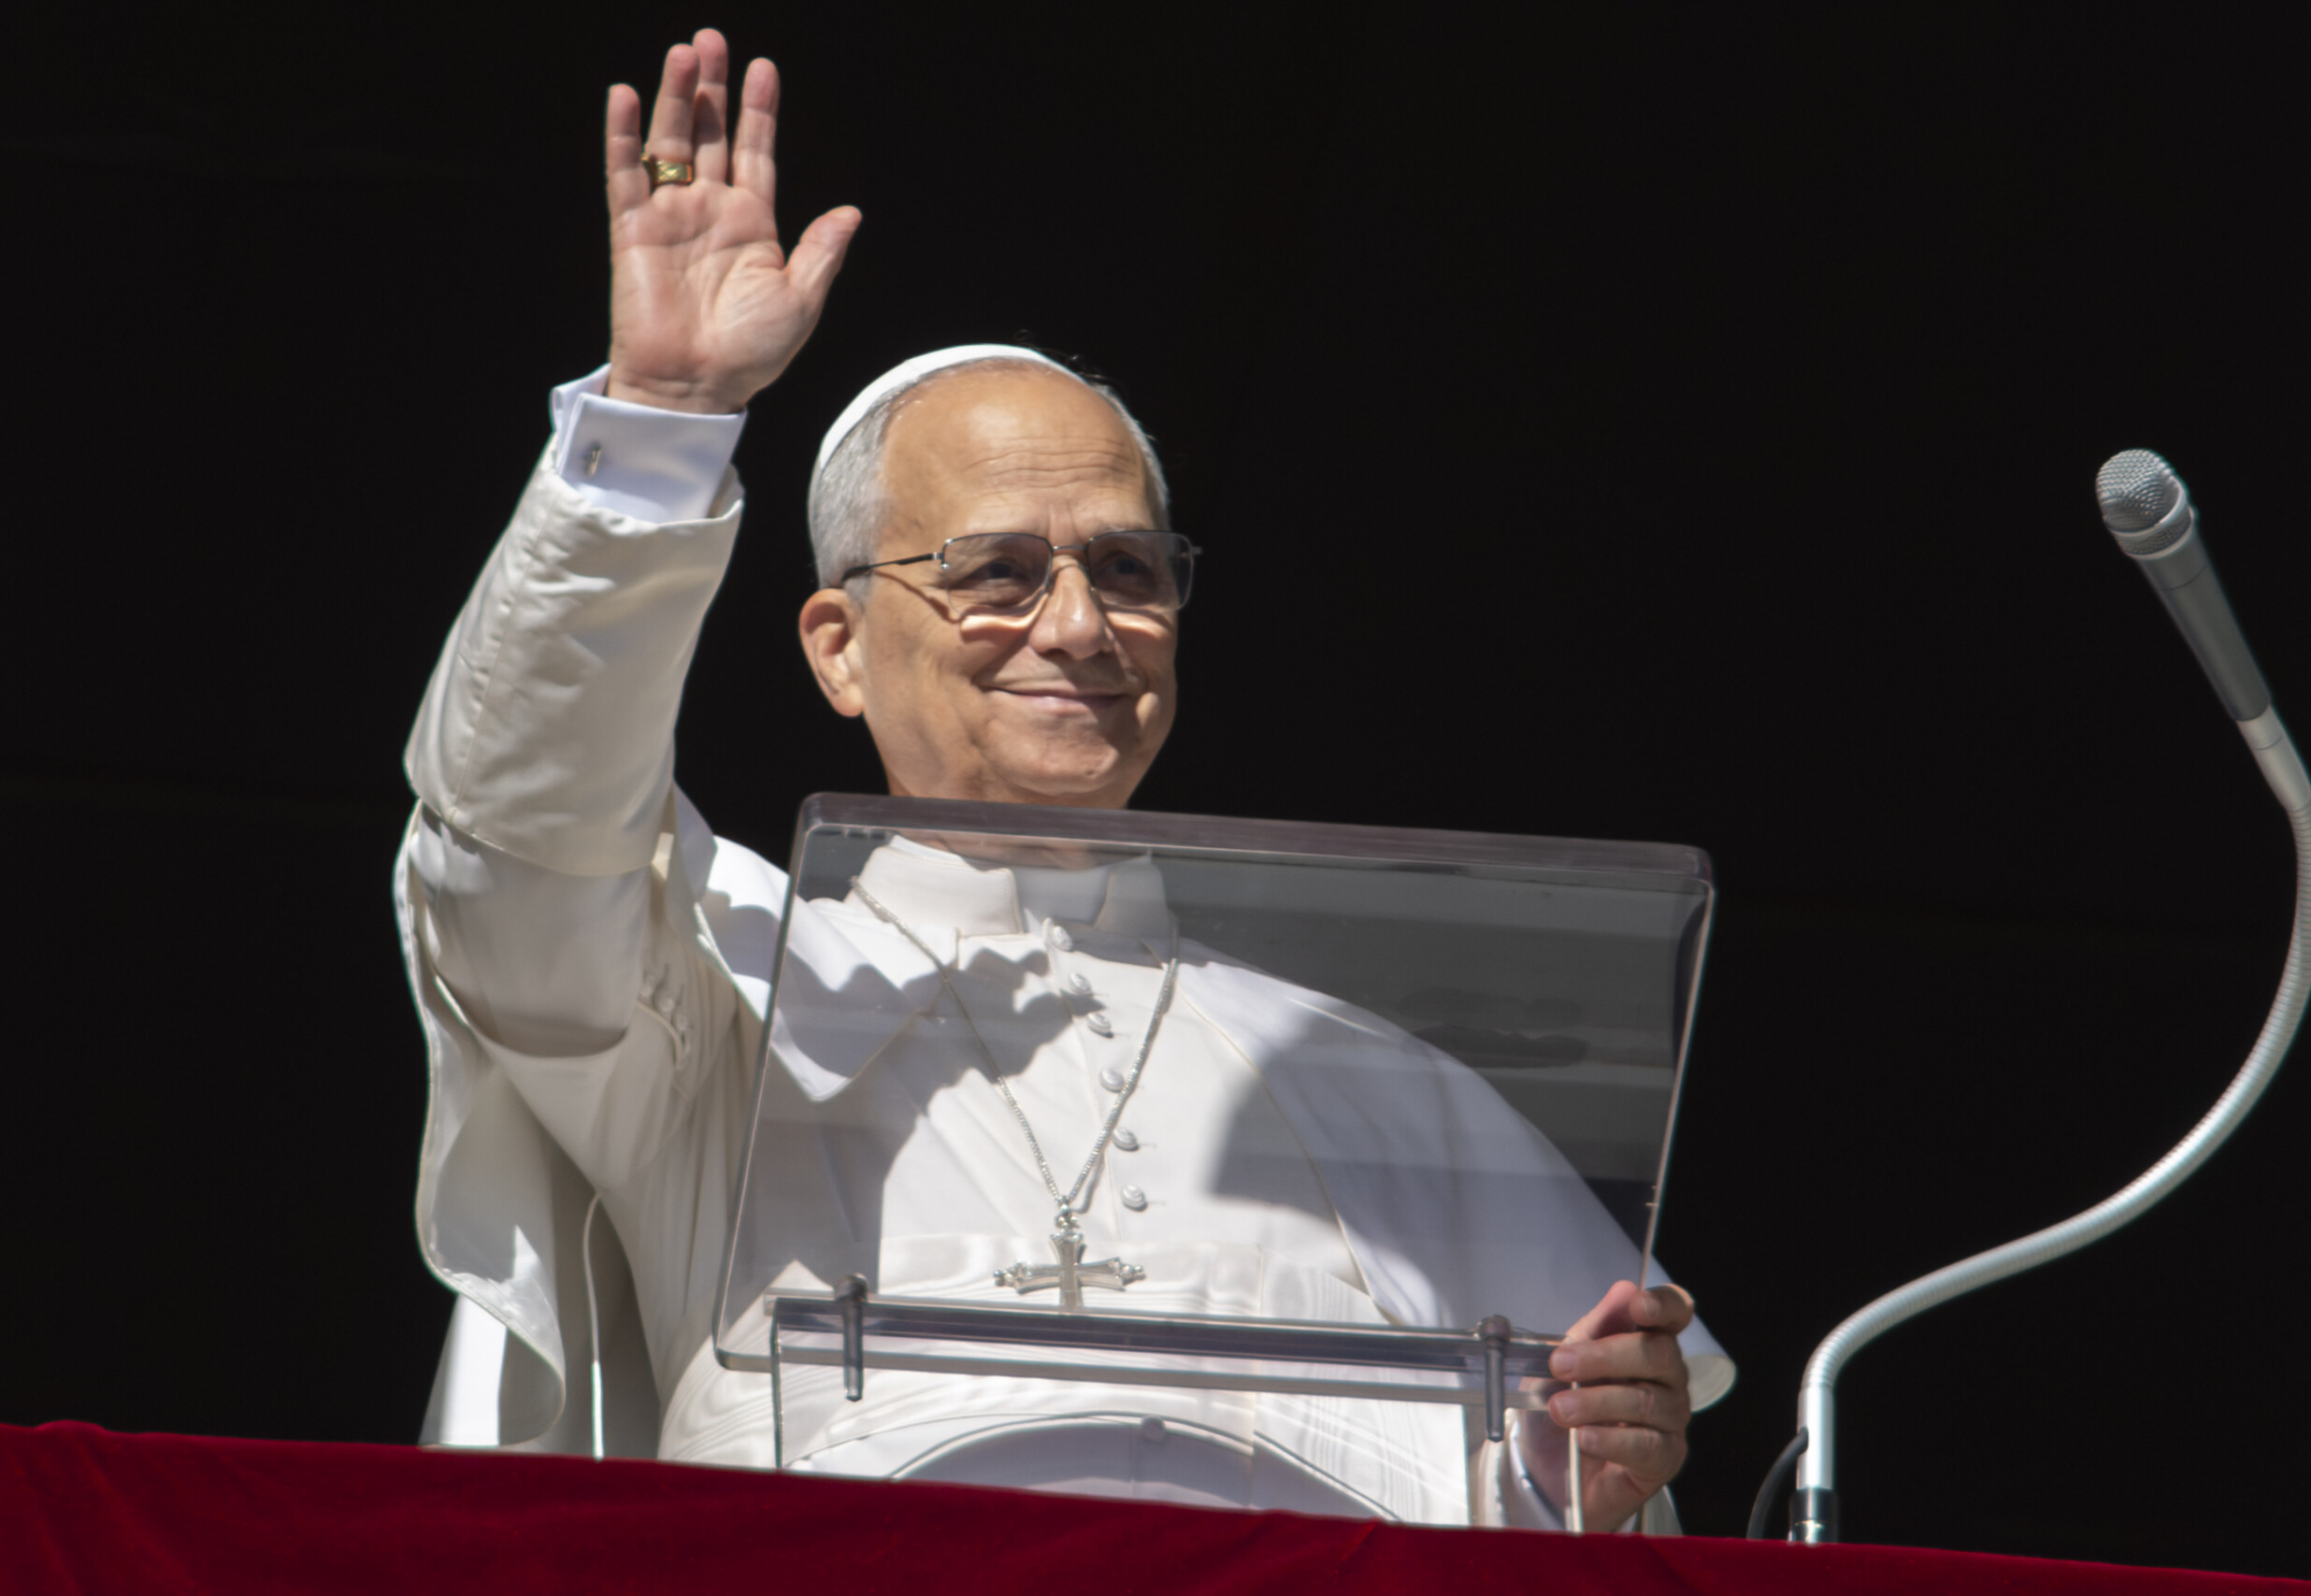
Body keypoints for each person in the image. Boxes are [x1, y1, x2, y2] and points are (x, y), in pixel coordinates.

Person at [399, 27, 1726, 1530]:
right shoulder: (716, 996)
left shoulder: (1369, 1072)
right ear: (838, 648)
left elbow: (1506, 1495)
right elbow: (515, 846)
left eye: (1127, 568)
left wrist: (1571, 1471)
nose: (1082, 625)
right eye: (999, 572)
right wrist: (661, 424)